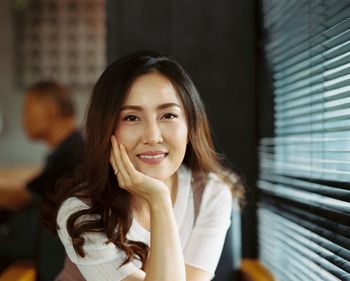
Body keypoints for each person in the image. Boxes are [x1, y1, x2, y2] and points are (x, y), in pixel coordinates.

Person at [51, 50, 243, 281]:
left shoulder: (211, 193)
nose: (152, 136)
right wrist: (159, 199)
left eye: (168, 115)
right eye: (131, 118)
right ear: (107, 130)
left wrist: (156, 198)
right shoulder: (82, 211)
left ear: (190, 127)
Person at [0, 81, 85, 280]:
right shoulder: (68, 150)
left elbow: (22, 196)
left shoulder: (73, 154)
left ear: (50, 110)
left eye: (27, 110)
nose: (24, 119)